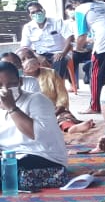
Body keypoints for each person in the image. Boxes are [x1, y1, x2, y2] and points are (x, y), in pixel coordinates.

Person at [0, 61, 69, 191]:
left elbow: (36, 135)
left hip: (42, 156)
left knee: (7, 173)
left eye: (11, 84)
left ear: (20, 82)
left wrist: (12, 108)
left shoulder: (37, 100)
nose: (5, 90)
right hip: (10, 158)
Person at [15, 49, 93, 134]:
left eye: (30, 57)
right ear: (19, 65)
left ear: (36, 58)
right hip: (30, 113)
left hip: (54, 110)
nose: (28, 60)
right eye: (23, 59)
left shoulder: (51, 73)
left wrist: (56, 111)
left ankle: (71, 128)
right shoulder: (18, 80)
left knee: (64, 117)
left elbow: (62, 95)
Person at [21, 1, 71, 80]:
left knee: (60, 60)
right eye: (33, 12)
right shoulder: (28, 27)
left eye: (38, 11)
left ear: (43, 11)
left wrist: (63, 52)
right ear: (30, 15)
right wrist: (37, 56)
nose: (37, 14)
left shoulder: (57, 22)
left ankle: (56, 87)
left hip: (58, 53)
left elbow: (69, 37)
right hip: (39, 54)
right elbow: (25, 47)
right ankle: (36, 87)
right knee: (28, 63)